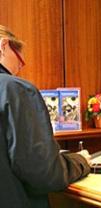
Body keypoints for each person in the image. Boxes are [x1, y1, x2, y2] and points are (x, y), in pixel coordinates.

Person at [0, 25, 91, 207]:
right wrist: (81, 161)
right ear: (3, 46)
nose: (19, 68)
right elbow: (43, 173)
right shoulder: (15, 89)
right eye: (20, 60)